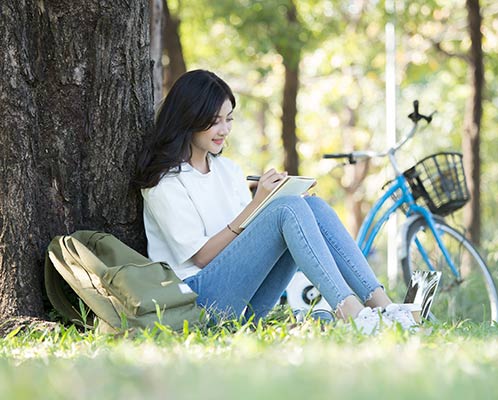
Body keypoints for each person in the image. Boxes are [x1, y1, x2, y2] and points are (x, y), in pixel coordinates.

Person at [135, 69, 417, 334]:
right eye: (214, 121)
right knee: (288, 208)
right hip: (199, 300)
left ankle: (386, 308)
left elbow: (248, 240)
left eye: (229, 119)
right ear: (189, 119)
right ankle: (351, 312)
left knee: (310, 206)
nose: (224, 130)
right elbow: (202, 257)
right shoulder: (165, 182)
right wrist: (260, 205)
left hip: (246, 304)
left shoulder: (228, 170)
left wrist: (280, 201)